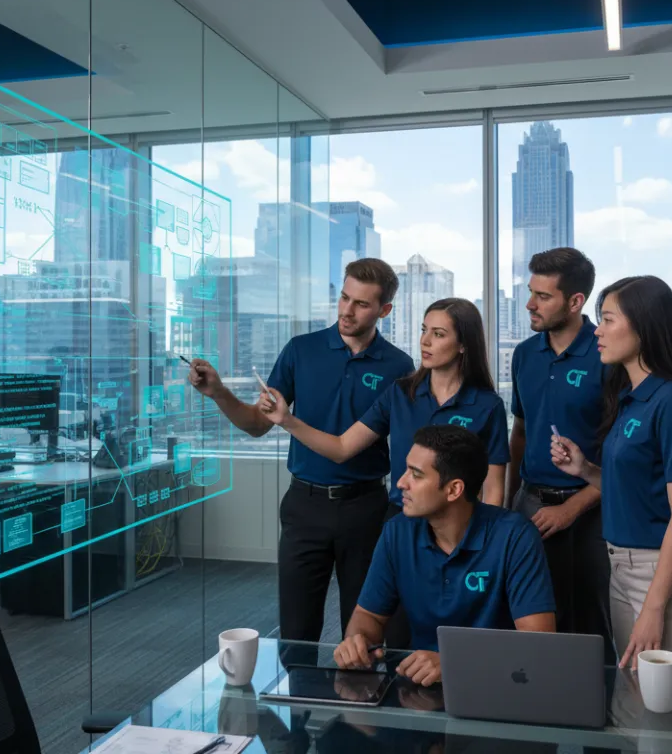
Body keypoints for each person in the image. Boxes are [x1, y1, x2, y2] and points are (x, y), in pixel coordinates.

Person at [188, 259, 414, 644]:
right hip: (305, 505)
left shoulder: (399, 366)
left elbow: (406, 448)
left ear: (384, 311)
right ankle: (297, 706)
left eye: (361, 304)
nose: (347, 310)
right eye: (344, 297)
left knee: (363, 636)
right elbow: (259, 424)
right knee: (296, 633)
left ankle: (357, 704)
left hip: (367, 510)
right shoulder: (301, 351)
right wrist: (219, 392)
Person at [261, 300, 509, 649]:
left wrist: (486, 549)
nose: (425, 341)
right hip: (403, 526)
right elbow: (343, 447)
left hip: (461, 533)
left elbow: (494, 491)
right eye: (424, 330)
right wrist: (288, 421)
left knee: (455, 633)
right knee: (393, 636)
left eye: (438, 334)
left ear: (463, 344)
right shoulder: (401, 393)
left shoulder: (487, 407)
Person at [551, 275, 672, 670]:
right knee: (634, 700)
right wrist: (585, 469)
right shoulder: (630, 397)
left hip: (663, 574)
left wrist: (654, 607)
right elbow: (635, 489)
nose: (598, 332)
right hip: (622, 567)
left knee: (665, 708)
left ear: (644, 326)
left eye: (608, 320)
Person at [333, 425, 556, 687]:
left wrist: (454, 661)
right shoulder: (397, 532)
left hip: (500, 684)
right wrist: (357, 641)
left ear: (453, 490)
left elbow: (539, 643)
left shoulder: (516, 536)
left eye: (415, 475)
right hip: (420, 688)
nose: (401, 483)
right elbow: (368, 616)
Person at [507, 247, 615, 664]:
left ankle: (600, 720)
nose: (531, 304)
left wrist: (572, 508)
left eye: (543, 296)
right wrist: (507, 500)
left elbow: (620, 455)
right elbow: (520, 431)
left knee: (592, 626)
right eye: (530, 292)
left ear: (575, 301)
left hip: (592, 509)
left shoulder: (606, 354)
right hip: (530, 504)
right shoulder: (523, 355)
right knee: (530, 619)